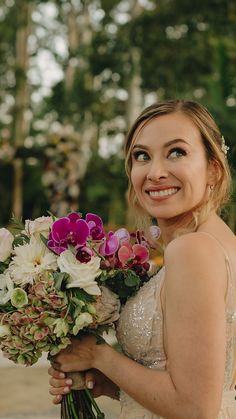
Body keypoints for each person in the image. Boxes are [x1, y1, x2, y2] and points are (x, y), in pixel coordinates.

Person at [48, 100, 236, 419]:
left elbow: (195, 407)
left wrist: (98, 355)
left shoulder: (193, 250)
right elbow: (215, 390)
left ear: (213, 169)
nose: (155, 172)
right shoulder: (221, 244)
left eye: (176, 152)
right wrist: (111, 384)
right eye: (142, 156)